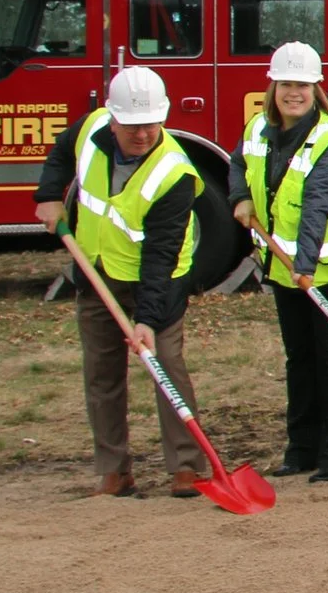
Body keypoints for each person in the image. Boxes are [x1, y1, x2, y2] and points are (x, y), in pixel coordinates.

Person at [31, 65, 204, 498]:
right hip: (97, 271)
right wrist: (49, 196)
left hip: (158, 280)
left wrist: (145, 318)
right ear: (112, 119)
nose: (142, 134)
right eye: (131, 126)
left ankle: (187, 467)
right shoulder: (89, 131)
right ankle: (114, 469)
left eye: (149, 125)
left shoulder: (174, 174)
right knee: (102, 372)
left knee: (165, 364)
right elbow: (60, 153)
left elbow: (160, 256)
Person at [230, 41, 328, 483]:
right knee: (299, 358)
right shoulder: (258, 128)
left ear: (317, 89)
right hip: (285, 268)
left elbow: (317, 206)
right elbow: (238, 164)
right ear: (273, 87)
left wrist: (306, 265)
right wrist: (239, 197)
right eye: (286, 84)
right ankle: (301, 450)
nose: (293, 92)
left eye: (303, 84)